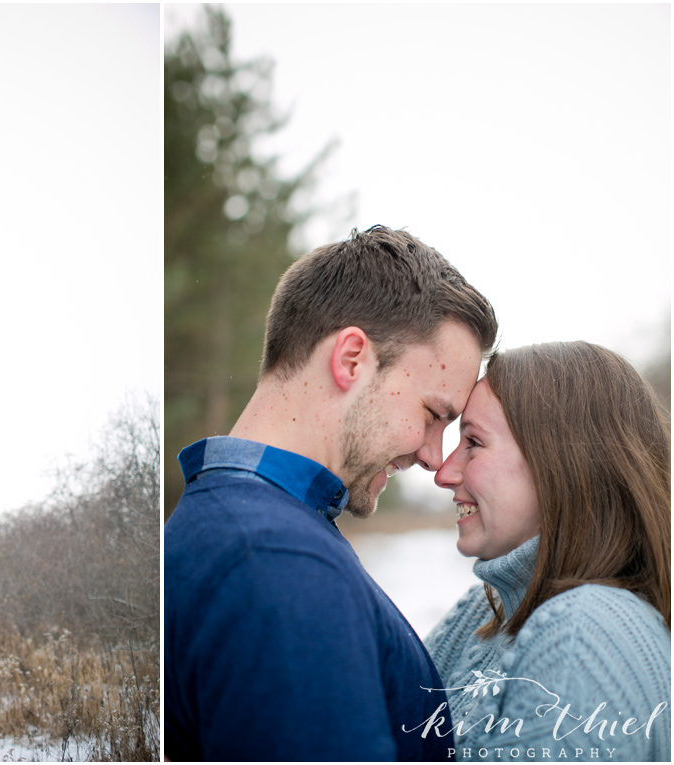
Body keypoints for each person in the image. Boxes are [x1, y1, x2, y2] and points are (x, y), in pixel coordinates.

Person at [164, 225, 499, 761]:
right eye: (434, 415)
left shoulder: (227, 525)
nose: (436, 458)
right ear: (351, 361)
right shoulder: (279, 566)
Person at [425, 342, 671, 761]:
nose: (444, 473)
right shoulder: (484, 612)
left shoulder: (585, 636)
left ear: (561, 463)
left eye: (474, 443)